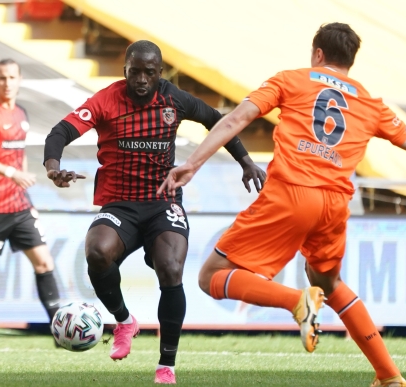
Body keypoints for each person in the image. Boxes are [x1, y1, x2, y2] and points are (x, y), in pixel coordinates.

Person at [158, 23, 406, 387]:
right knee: (329, 280)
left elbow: (237, 119)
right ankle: (388, 375)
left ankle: (297, 301)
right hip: (336, 204)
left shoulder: (291, 80)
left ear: (317, 54)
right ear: (350, 61)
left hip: (292, 192)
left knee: (210, 276)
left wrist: (192, 164)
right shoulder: (372, 104)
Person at [43, 40, 265, 384]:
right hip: (120, 203)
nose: (142, 79)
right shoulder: (106, 100)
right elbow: (60, 132)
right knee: (98, 252)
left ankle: (166, 365)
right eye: (135, 72)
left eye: (150, 72)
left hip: (163, 201)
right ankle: (124, 321)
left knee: (170, 267)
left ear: (160, 72)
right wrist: (53, 167)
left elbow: (217, 121)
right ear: (125, 70)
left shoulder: (173, 98)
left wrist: (246, 161)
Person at [0, 59, 61, 347]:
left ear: (20, 80)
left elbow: (19, 156)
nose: (7, 83)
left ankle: (59, 331)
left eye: (12, 77)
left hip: (18, 206)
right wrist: (11, 173)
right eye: (2, 78)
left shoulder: (21, 113)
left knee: (44, 262)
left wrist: (25, 191)